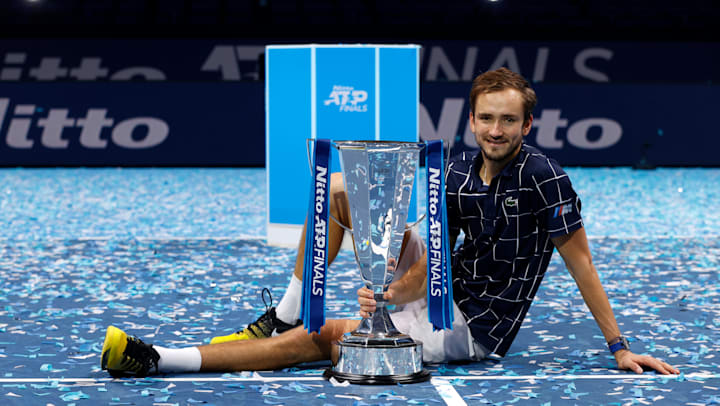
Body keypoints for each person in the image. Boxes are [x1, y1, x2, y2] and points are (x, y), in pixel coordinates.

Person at [100, 68, 679, 377]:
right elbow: (435, 256)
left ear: (527, 125)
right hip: (440, 289)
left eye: (508, 121)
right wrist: (396, 289)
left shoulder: (544, 177)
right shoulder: (456, 170)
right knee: (340, 193)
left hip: (472, 326)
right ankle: (285, 312)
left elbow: (582, 265)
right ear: (472, 120)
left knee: (323, 340)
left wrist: (619, 347)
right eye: (486, 119)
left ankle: (161, 360)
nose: (496, 131)